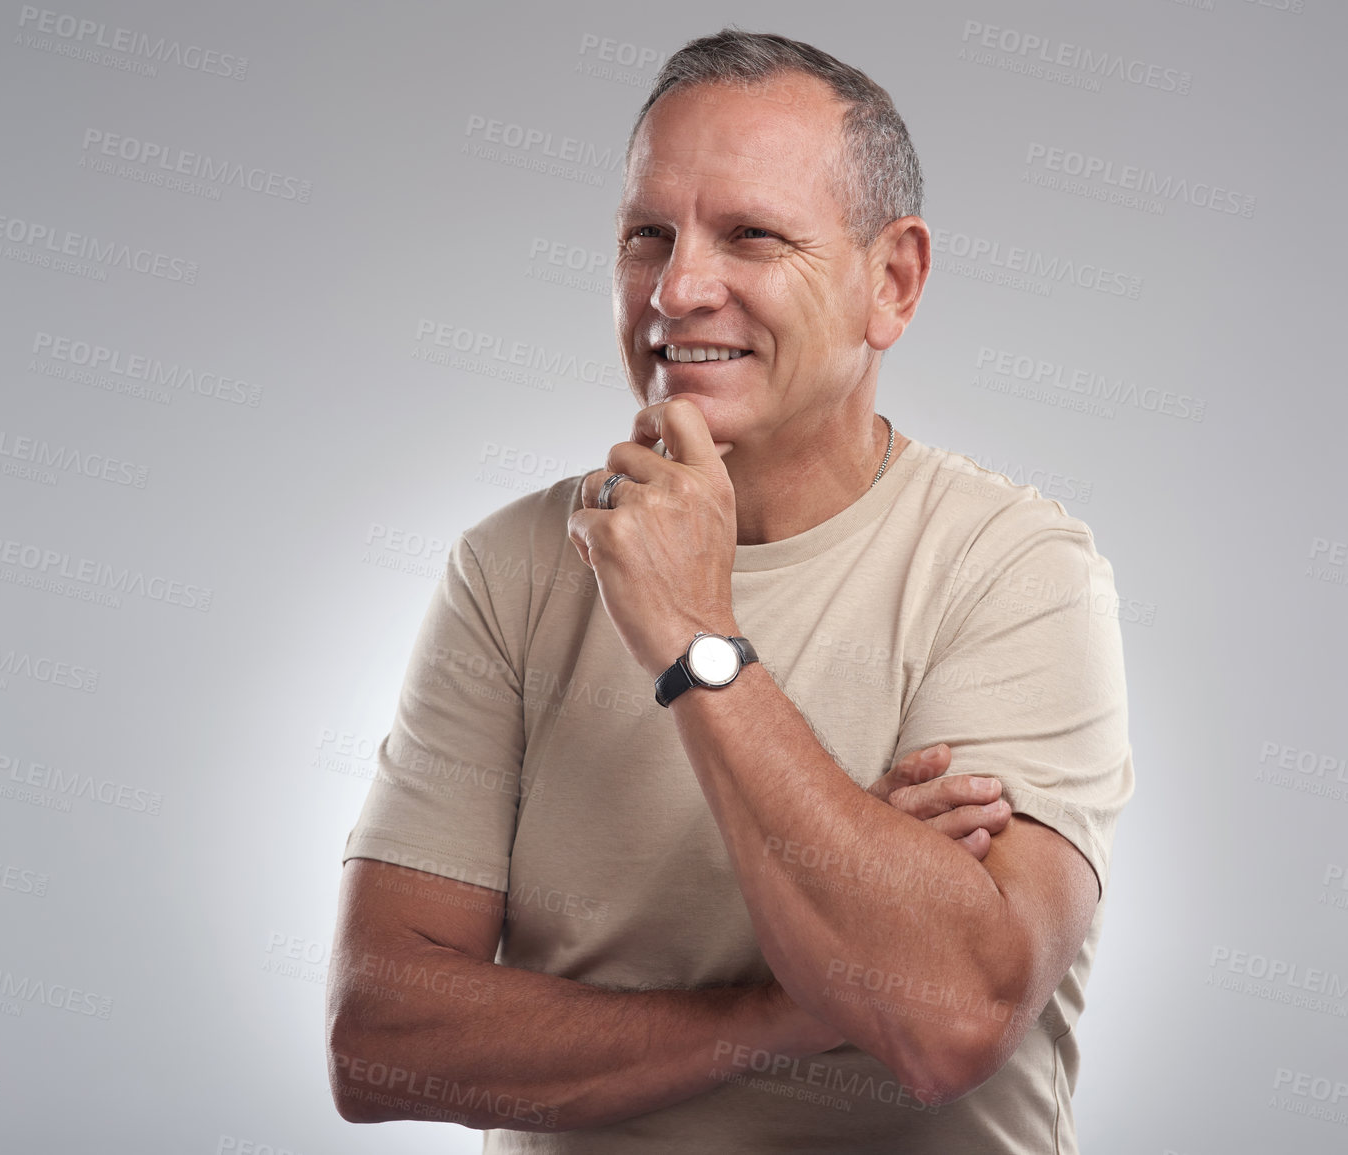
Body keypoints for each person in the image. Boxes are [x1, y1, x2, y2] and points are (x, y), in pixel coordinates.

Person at [327, 28, 1133, 1153]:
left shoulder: (1014, 568)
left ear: (889, 283)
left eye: (751, 235)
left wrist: (696, 637)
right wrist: (792, 1006)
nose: (676, 289)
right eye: (645, 235)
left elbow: (947, 1021)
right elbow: (381, 1038)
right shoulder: (511, 567)